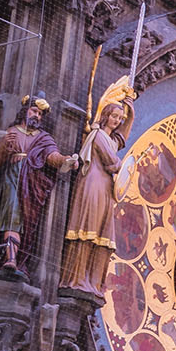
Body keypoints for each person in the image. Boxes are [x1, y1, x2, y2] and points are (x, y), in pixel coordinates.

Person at [61, 81, 133, 293]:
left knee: (102, 237)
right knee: (86, 231)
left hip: (105, 190)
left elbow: (121, 139)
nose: (117, 121)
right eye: (114, 116)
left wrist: (131, 114)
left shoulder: (110, 139)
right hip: (93, 186)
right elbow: (114, 163)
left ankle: (92, 281)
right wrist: (122, 165)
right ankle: (76, 279)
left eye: (120, 119)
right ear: (105, 116)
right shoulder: (98, 136)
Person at [0, 95, 72, 278]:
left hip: (32, 186)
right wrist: (4, 145)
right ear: (25, 111)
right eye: (34, 111)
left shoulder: (44, 138)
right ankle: (10, 258)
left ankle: (19, 259)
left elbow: (53, 157)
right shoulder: (12, 132)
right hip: (12, 180)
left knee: (28, 224)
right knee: (11, 216)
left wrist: (66, 160)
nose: (37, 116)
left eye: (41, 114)